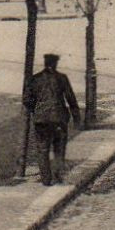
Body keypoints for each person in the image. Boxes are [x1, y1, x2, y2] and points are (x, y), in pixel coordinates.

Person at [24, 52, 80, 185]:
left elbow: (26, 99)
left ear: (45, 63)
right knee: (59, 148)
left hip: (41, 120)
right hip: (59, 118)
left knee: (42, 149)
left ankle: (46, 179)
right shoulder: (62, 78)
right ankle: (57, 176)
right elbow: (71, 98)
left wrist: (36, 110)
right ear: (55, 63)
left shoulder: (35, 79)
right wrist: (76, 117)